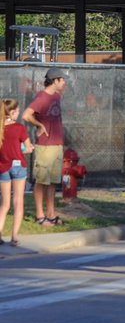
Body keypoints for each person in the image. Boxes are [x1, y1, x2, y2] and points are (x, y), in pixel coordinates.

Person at [23, 67, 68, 226]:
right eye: (62, 79)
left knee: (53, 182)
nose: (64, 82)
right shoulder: (42, 97)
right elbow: (26, 115)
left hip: (57, 144)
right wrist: (39, 125)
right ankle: (39, 216)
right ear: (55, 81)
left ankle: (51, 214)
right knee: (41, 181)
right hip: (45, 146)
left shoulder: (56, 96)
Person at [0, 98, 33, 246]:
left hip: (3, 168)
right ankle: (14, 237)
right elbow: (27, 147)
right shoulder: (19, 128)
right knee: (18, 202)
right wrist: (29, 149)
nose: (19, 113)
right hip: (18, 167)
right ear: (12, 112)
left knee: (5, 204)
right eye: (18, 111)